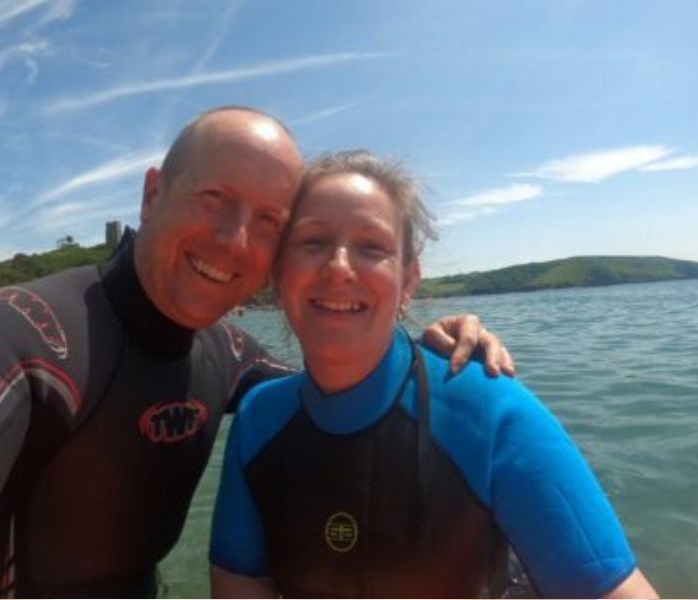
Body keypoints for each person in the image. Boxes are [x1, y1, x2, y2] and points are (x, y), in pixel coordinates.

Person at [0, 108, 512, 598]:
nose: (235, 241)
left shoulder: (230, 352)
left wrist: (424, 348)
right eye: (214, 198)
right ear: (152, 193)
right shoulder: (28, 331)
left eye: (267, 219)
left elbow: (343, 399)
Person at [209, 151, 658, 598]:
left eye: (372, 247)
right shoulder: (258, 418)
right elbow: (239, 575)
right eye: (313, 242)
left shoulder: (487, 407)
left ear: (409, 280)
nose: (339, 268)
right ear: (279, 271)